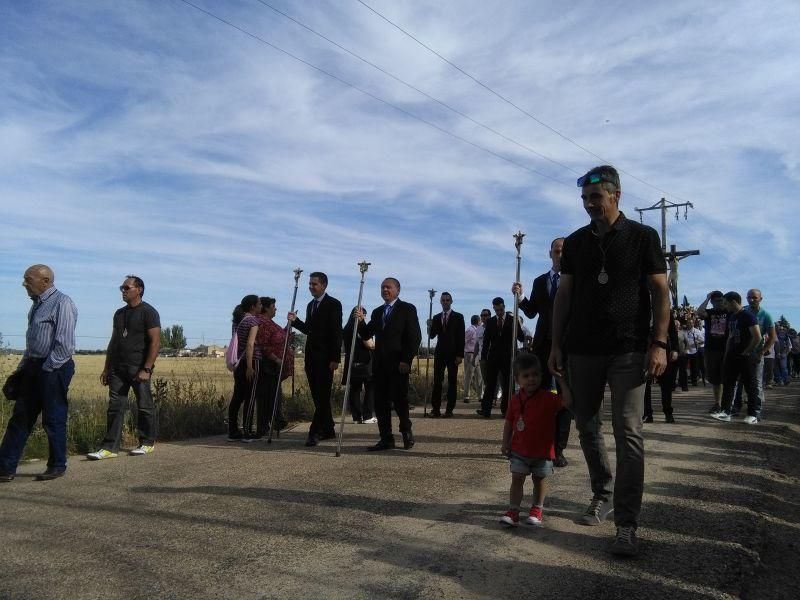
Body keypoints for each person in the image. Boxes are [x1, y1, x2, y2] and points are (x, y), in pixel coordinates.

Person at [549, 165, 669, 557]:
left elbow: (660, 293)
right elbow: (564, 297)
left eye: (596, 198)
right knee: (586, 425)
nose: (589, 205)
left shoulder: (642, 237)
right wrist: (556, 345)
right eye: (585, 199)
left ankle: (627, 524)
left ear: (616, 195)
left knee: (628, 431)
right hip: (582, 348)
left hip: (629, 348)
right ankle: (602, 492)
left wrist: (659, 343)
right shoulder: (577, 243)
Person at [0, 265, 78, 482]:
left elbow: (64, 345)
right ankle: (5, 468)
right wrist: (22, 369)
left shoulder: (63, 302)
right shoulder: (36, 306)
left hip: (54, 367)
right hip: (34, 366)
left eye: (28, 279)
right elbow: (32, 344)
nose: (24, 283)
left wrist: (46, 369)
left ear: (45, 281)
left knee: (53, 418)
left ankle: (57, 465)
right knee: (21, 417)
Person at [513, 236, 572, 467]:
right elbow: (530, 312)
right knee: (541, 396)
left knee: (564, 399)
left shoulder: (575, 280)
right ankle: (541, 444)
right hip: (543, 346)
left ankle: (559, 449)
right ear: (550, 254)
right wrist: (521, 296)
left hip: (567, 345)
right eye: (557, 251)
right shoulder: (540, 281)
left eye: (564, 251)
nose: (560, 255)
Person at [88, 276, 161, 460]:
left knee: (144, 406)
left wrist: (147, 368)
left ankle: (147, 443)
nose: (123, 291)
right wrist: (106, 368)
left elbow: (155, 342)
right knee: (115, 407)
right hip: (117, 369)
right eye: (122, 288)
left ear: (139, 290)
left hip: (138, 369)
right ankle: (110, 448)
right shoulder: (119, 314)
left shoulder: (149, 312)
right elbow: (114, 342)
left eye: (126, 287)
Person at [499, 353, 571, 527]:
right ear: (517, 379)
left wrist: (561, 381)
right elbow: (509, 422)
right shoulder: (515, 400)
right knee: (517, 478)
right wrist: (505, 442)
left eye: (535, 374)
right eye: (526, 375)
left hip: (543, 453)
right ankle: (514, 511)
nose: (531, 379)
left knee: (540, 480)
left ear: (541, 376)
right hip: (519, 450)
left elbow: (567, 403)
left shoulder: (548, 398)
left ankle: (537, 509)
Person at [356, 278, 422, 451]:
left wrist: (406, 360)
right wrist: (361, 321)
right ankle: (386, 438)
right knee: (381, 403)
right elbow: (366, 334)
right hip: (379, 365)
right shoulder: (378, 312)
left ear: (397, 290)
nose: (385, 290)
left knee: (400, 401)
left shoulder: (407, 309)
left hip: (398, 364)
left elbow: (414, 337)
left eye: (388, 287)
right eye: (382, 287)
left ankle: (406, 432)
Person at [289, 272, 343, 447]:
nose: (311, 287)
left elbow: (336, 332)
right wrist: (295, 321)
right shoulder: (310, 305)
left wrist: (335, 357)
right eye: (310, 284)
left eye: (315, 284)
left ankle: (315, 432)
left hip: (326, 358)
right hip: (311, 357)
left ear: (324, 285)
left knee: (322, 395)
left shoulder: (333, 304)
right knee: (318, 396)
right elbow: (309, 330)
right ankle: (328, 428)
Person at [712, 292, 762, 423]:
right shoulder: (733, 317)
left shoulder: (748, 316)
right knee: (728, 383)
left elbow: (757, 336)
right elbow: (730, 337)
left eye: (725, 302)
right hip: (732, 356)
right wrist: (727, 354)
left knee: (749, 385)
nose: (724, 305)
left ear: (733, 302)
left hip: (746, 356)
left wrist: (747, 352)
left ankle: (753, 414)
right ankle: (725, 412)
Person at [477, 298, 524, 418]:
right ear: (493, 308)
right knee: (490, 385)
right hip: (493, 358)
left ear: (504, 307)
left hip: (508, 358)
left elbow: (521, 337)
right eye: (496, 310)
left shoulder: (512, 320)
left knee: (508, 385)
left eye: (501, 309)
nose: (499, 312)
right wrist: (483, 358)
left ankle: (506, 410)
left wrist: (518, 323)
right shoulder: (491, 322)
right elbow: (486, 341)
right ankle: (486, 410)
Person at [227, 295, 262, 441]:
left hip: (237, 363)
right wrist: (250, 366)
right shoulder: (253, 321)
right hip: (251, 361)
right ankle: (247, 431)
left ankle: (233, 431)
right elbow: (250, 345)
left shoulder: (238, 321)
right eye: (259, 304)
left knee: (237, 397)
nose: (261, 306)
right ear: (253, 306)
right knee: (250, 397)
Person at [256, 297, 290, 434]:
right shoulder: (263, 323)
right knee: (267, 396)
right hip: (268, 365)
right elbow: (263, 344)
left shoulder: (270, 323)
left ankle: (272, 421)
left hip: (274, 367)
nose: (275, 309)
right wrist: (276, 359)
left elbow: (278, 337)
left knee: (274, 394)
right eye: (273, 306)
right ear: (266, 308)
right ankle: (266, 424)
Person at [427, 292, 465, 417]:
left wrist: (460, 355)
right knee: (437, 381)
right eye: (443, 300)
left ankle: (449, 409)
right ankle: (436, 409)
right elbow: (432, 335)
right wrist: (429, 325)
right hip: (440, 353)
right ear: (440, 301)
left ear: (451, 301)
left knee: (452, 381)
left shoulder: (458, 317)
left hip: (453, 354)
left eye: (447, 300)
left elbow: (461, 336)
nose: (445, 302)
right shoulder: (437, 317)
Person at [643, 317, 679, 423]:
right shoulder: (641, 308)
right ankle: (647, 413)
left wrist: (675, 349)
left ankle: (668, 412)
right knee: (645, 384)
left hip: (663, 350)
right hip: (644, 350)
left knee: (666, 385)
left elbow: (673, 332)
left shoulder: (665, 310)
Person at [342, 309, 376, 424]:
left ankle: (356, 417)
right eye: (363, 315)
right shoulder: (360, 328)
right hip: (364, 362)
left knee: (355, 389)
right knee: (370, 388)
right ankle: (367, 416)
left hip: (351, 362)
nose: (364, 318)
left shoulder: (346, 328)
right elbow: (369, 344)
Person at [697, 291, 729, 412]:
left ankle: (729, 402)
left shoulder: (728, 312)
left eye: (721, 300)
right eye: (716, 301)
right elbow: (699, 312)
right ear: (712, 302)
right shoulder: (710, 313)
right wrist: (707, 298)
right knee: (715, 379)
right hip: (712, 349)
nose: (719, 303)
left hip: (726, 348)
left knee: (728, 378)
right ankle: (717, 403)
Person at [463, 315, 483, 402]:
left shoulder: (476, 330)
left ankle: (480, 396)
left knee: (479, 376)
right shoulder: (470, 330)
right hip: (470, 354)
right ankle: (466, 396)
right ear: (478, 321)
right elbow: (464, 341)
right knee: (469, 376)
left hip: (476, 355)